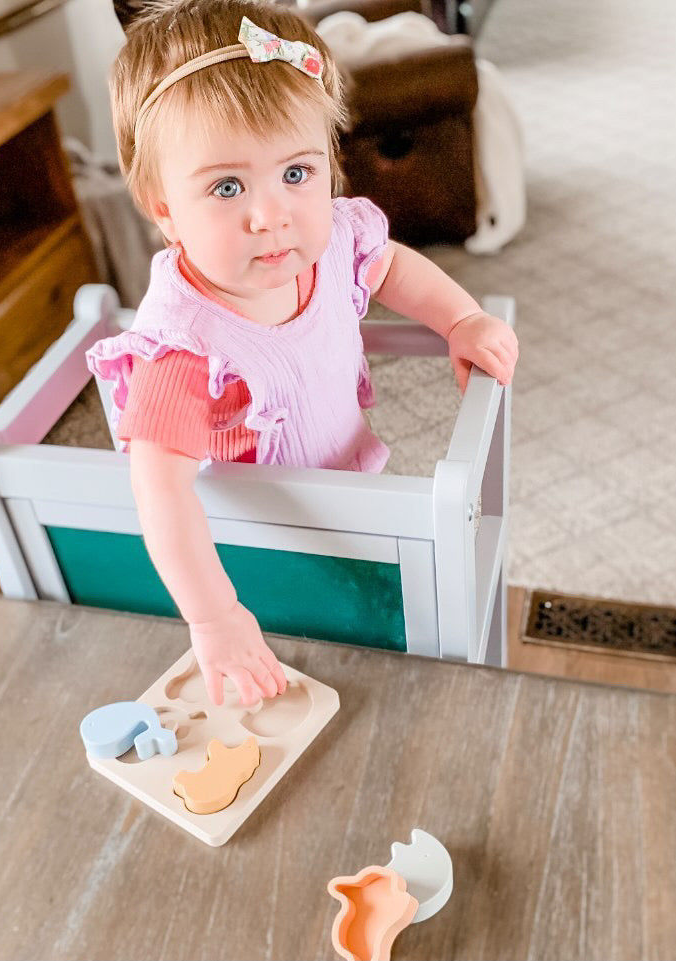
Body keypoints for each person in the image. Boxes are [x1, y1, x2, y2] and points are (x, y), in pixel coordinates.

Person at [87, 0, 519, 708]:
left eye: (296, 173)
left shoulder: (333, 241)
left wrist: (461, 318)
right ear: (161, 205)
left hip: (358, 486)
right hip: (263, 548)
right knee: (312, 672)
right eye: (227, 187)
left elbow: (392, 267)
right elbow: (158, 489)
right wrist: (215, 615)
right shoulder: (184, 345)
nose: (272, 214)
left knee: (392, 630)